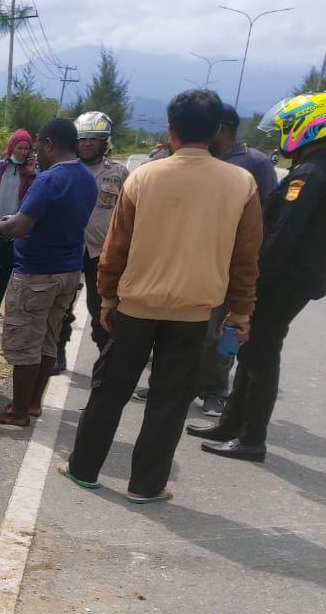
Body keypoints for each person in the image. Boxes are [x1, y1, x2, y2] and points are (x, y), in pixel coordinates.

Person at [59, 89, 262, 503]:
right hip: (193, 315)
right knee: (170, 401)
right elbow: (246, 259)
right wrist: (240, 312)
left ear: (171, 130)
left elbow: (115, 248)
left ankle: (82, 468)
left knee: (109, 390)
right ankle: (145, 485)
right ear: (217, 131)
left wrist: (109, 299)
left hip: (135, 308)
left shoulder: (145, 177)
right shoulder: (242, 184)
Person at [189, 92, 326, 461]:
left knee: (261, 356)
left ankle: (252, 439)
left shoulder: (312, 172)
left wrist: (252, 285)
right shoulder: (312, 164)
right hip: (293, 278)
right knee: (251, 354)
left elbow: (282, 236)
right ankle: (232, 425)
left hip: (283, 281)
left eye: (287, 127)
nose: (284, 133)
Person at [0, 119, 96, 426]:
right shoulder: (86, 177)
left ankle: (17, 411)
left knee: (25, 343)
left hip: (37, 273)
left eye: (37, 148)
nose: (35, 155)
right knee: (48, 339)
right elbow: (43, 218)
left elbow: (20, 227)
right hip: (69, 271)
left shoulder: (48, 180)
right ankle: (33, 403)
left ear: (48, 144)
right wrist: (12, 220)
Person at [193, 104, 281, 416]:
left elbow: (269, 215)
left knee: (220, 331)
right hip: (196, 256)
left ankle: (215, 390)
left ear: (222, 129)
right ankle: (180, 383)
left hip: (230, 263)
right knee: (186, 327)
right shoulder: (204, 159)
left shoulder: (254, 162)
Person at [52, 111, 129, 372]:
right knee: (61, 307)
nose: (86, 144)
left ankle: (107, 361)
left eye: (93, 139)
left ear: (104, 142)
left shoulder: (119, 174)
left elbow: (129, 214)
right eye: (82, 139)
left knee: (103, 309)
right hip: (69, 248)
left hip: (102, 253)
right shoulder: (64, 171)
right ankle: (57, 353)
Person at [0, 129, 37, 319]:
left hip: (13, 227)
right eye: (19, 147)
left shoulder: (31, 174)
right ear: (12, 147)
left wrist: (31, 174)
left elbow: (36, 198)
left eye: (26, 148)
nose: (22, 152)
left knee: (6, 269)